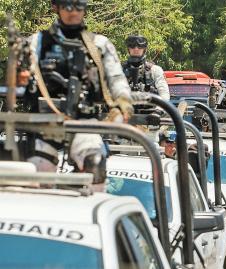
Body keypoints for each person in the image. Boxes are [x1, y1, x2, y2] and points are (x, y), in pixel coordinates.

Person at [20, 0, 133, 183]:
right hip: (45, 125)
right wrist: (21, 77)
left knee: (95, 165)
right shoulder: (36, 42)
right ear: (55, 7)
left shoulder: (99, 44)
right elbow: (17, 81)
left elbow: (117, 80)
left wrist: (122, 104)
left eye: (79, 6)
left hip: (85, 123)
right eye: (68, 6)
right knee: (37, 170)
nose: (74, 12)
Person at [123, 35, 170, 100]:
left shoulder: (155, 70)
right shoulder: (119, 70)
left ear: (144, 49)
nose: (136, 49)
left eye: (139, 46)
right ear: (128, 49)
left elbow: (164, 93)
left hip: (151, 109)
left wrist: (158, 109)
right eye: (132, 46)